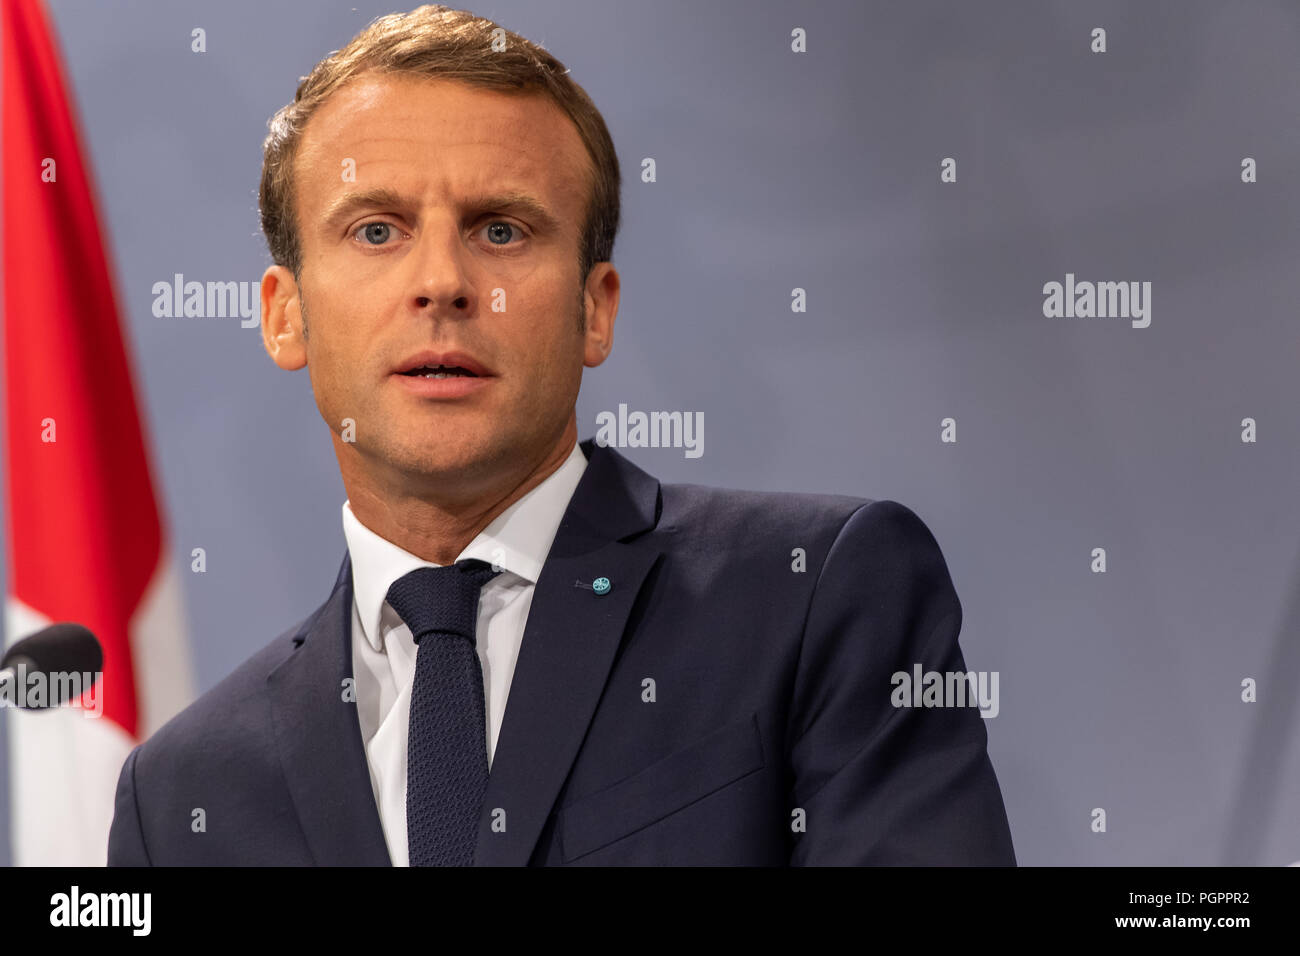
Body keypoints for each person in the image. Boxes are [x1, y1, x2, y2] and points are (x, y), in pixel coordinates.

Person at [108, 4, 1015, 866]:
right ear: (284, 315)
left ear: (594, 308)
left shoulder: (815, 598)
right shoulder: (181, 792)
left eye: (500, 229)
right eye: (376, 229)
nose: (443, 283)